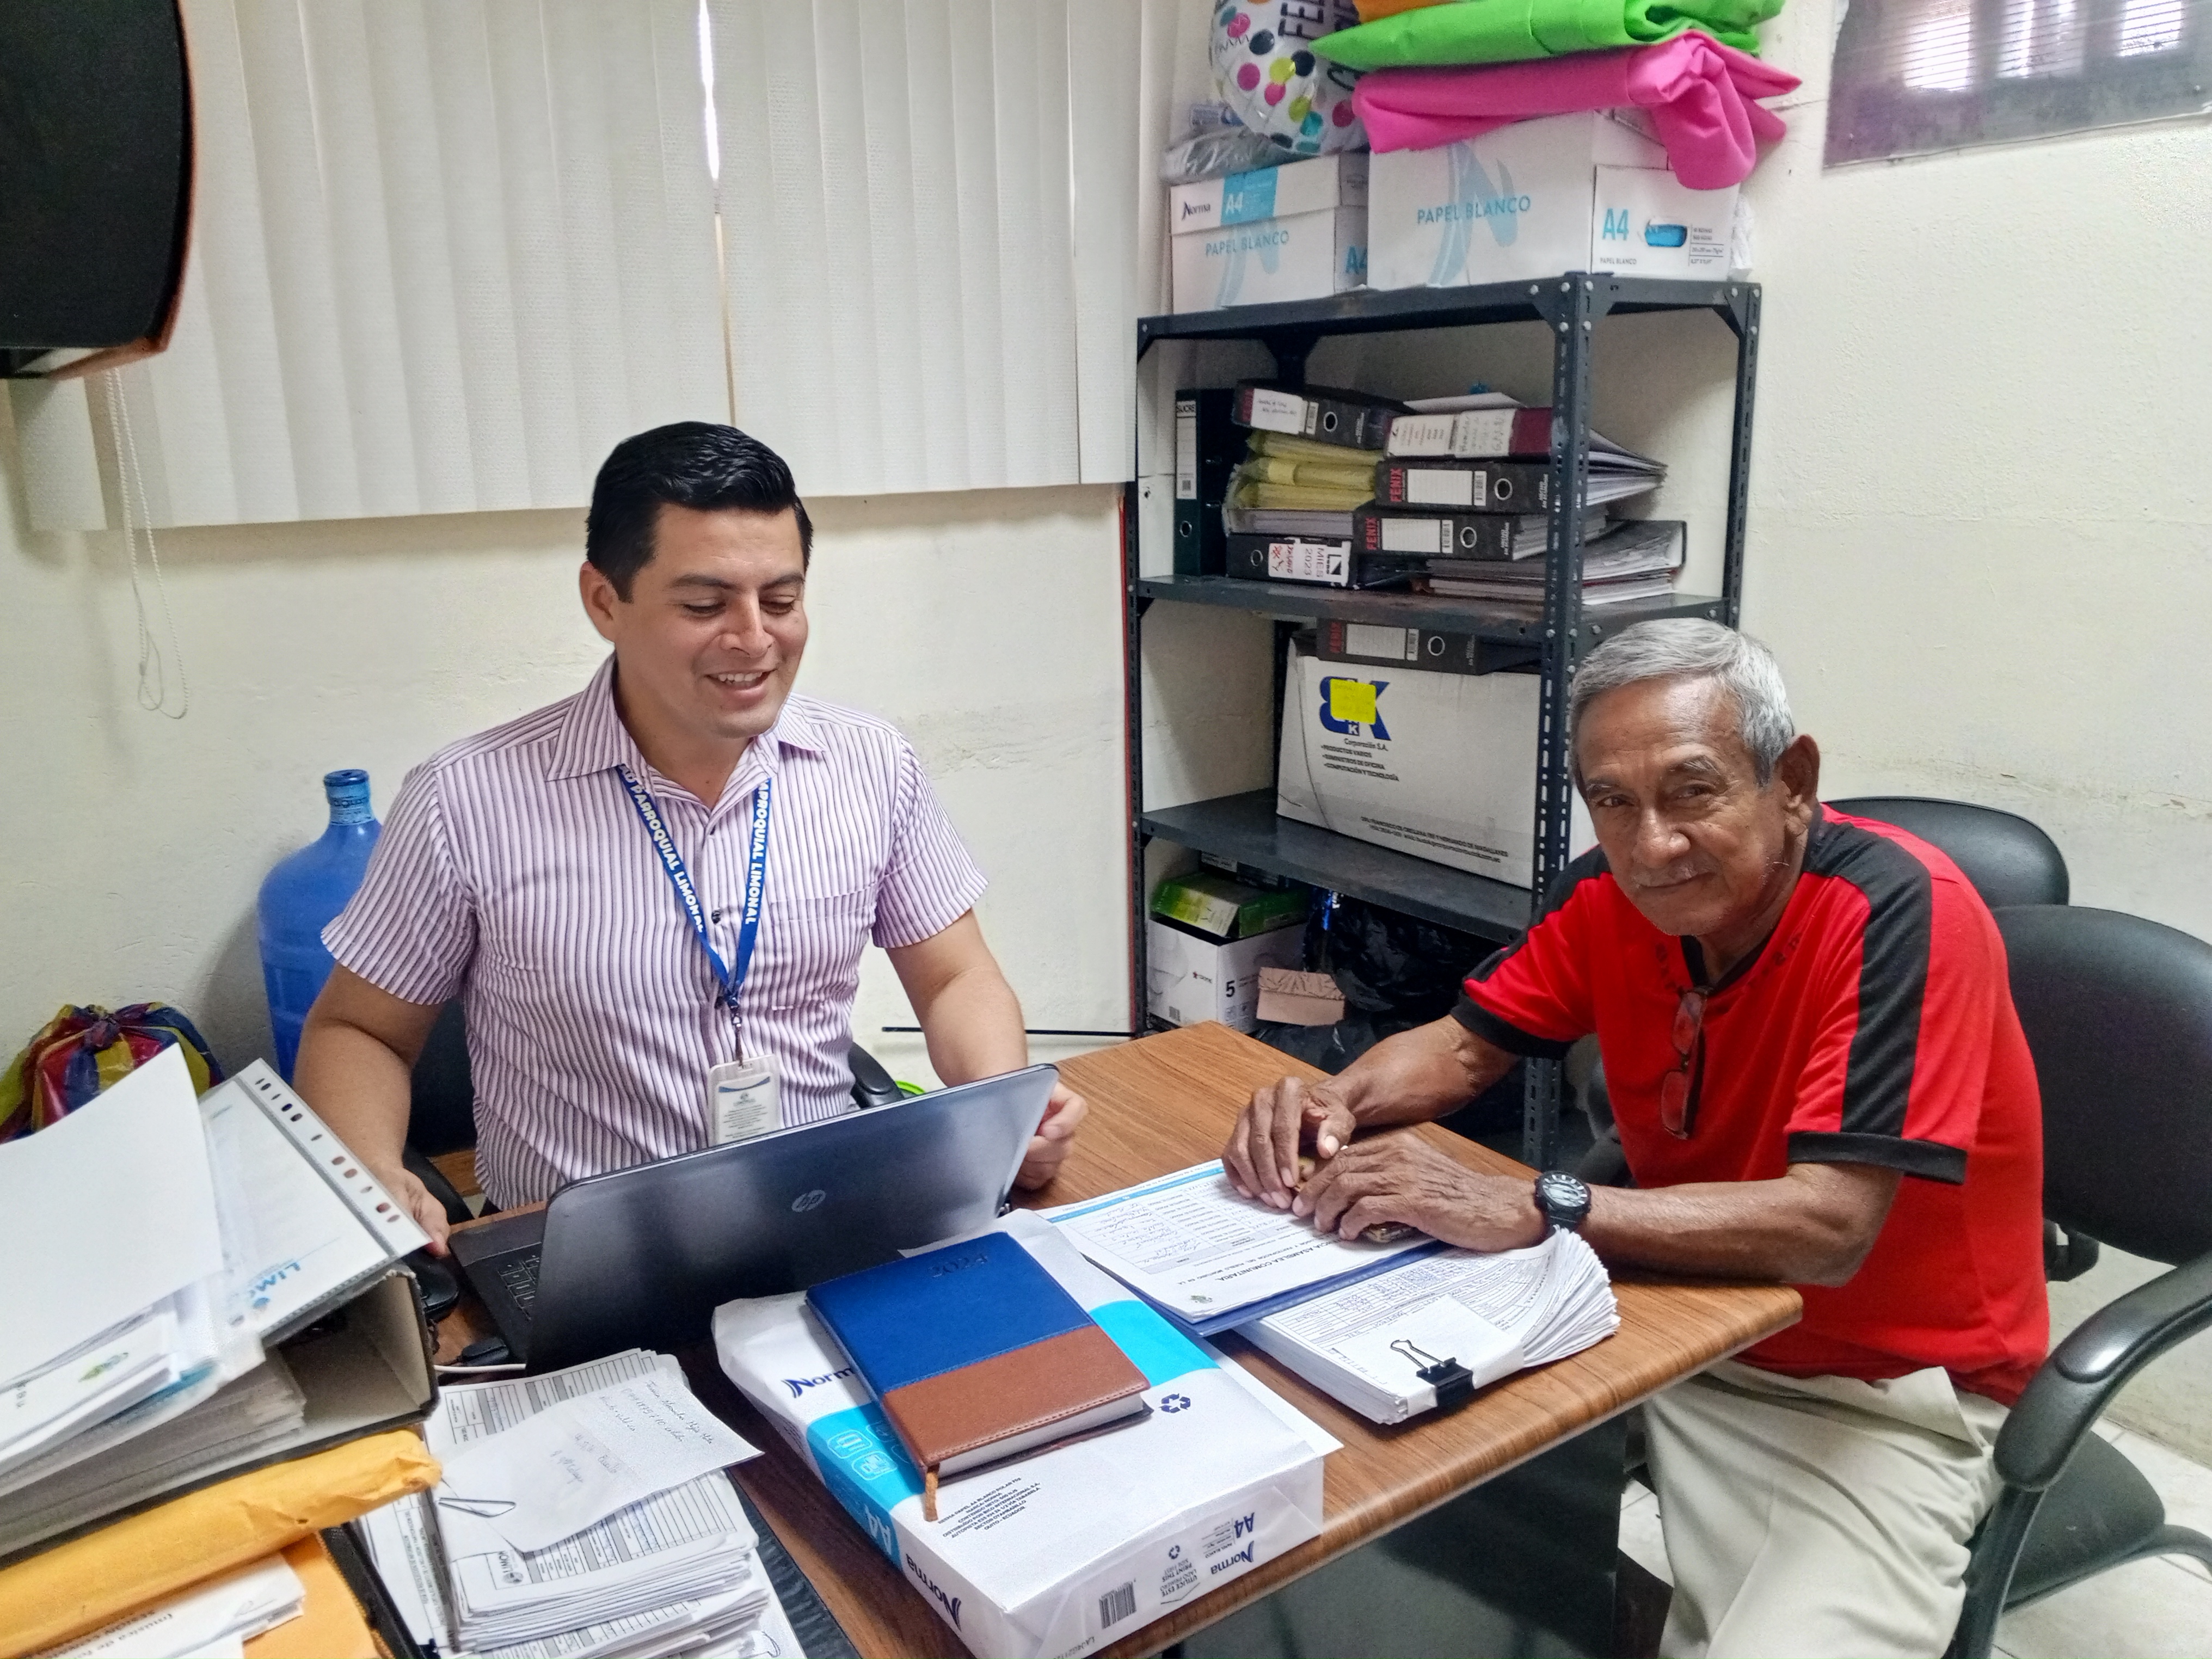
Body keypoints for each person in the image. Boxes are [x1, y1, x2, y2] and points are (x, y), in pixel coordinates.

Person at [1220, 619, 2047, 1659]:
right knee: (1361, 1497)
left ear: (1792, 781)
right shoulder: (1611, 898)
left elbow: (1831, 1227)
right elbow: (1465, 1048)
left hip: (1869, 1391)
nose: (1651, 845)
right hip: (1655, 1314)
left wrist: (1540, 1205)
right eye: (1613, 802)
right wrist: (1330, 1101)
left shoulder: (1901, 914)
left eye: (1692, 791)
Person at [300, 422, 1086, 1248]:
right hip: (583, 1256)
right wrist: (373, 1169)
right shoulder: (465, 800)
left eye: (781, 601)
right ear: (605, 601)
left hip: (824, 1218)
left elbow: (956, 976)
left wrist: (1004, 1110)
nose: (754, 638)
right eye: (705, 605)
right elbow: (359, 1030)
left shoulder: (871, 764)